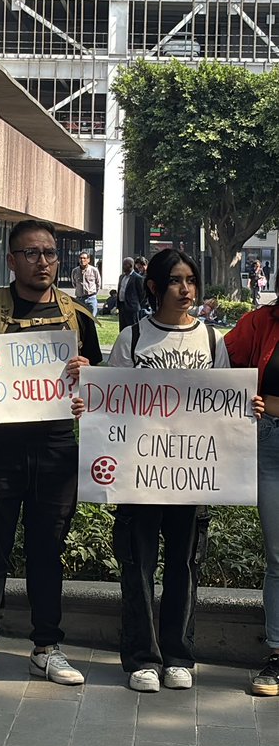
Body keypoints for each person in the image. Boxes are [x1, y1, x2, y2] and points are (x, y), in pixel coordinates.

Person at [91, 249, 263, 693]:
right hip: (140, 474)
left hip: (191, 476)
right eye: (174, 280)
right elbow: (111, 405)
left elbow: (223, 405)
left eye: (190, 280)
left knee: (184, 566)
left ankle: (178, 656)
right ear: (154, 287)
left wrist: (249, 407)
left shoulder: (211, 340)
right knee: (138, 566)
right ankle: (142, 659)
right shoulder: (132, 339)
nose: (185, 289)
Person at [0, 218, 102, 687]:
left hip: (55, 448)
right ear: (12, 260)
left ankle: (47, 648)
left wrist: (87, 378)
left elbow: (100, 392)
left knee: (47, 551)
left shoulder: (78, 317)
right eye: (32, 253)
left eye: (50, 253)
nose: (43, 262)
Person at [225, 304, 279, 696]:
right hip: (270, 441)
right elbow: (218, 364)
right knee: (278, 556)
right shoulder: (262, 321)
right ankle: (277, 653)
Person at [71, 251, 101, 318]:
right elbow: (74, 283)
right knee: (80, 319)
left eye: (84, 258)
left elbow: (98, 283)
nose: (82, 260)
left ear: (88, 260)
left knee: (92, 319)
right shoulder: (75, 271)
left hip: (91, 298)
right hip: (80, 299)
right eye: (81, 258)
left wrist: (93, 292)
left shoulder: (94, 270)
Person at [117, 256, 144, 330]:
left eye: (125, 264)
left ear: (131, 265)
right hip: (122, 307)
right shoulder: (121, 277)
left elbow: (142, 294)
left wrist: (135, 304)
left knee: (132, 328)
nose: (123, 266)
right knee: (122, 328)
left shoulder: (137, 278)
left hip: (132, 309)